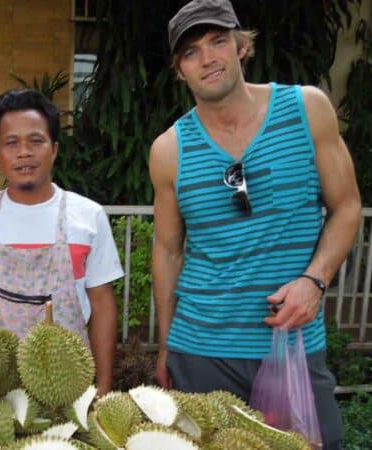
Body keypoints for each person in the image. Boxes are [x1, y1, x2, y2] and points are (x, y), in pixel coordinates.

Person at [149, 1, 361, 448]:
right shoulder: (169, 150)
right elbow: (168, 250)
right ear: (179, 70)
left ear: (242, 46)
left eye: (218, 41)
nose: (207, 58)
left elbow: (346, 207)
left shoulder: (307, 110)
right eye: (191, 51)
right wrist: (167, 346)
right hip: (201, 348)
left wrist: (314, 280)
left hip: (290, 344)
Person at [0, 89, 122, 395]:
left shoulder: (88, 216)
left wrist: (103, 388)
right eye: (11, 143)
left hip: (68, 385)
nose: (24, 152)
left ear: (53, 149)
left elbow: (103, 306)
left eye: (36, 141)